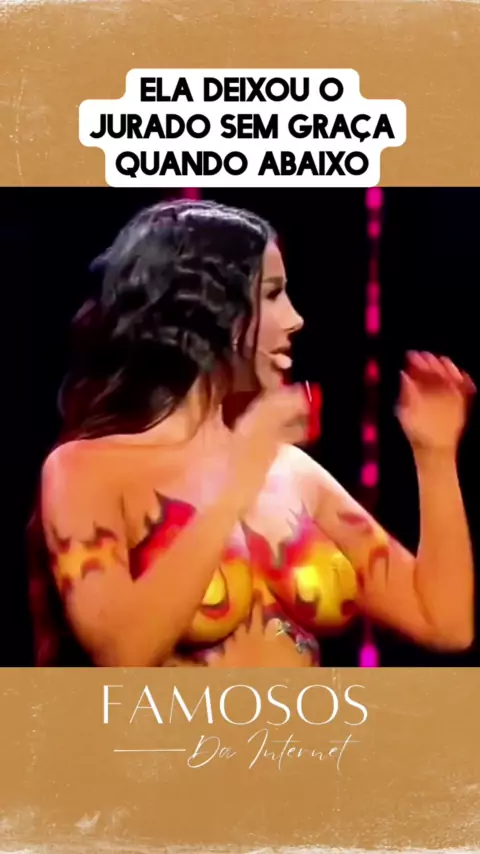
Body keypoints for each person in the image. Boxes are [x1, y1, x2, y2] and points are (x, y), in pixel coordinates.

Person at [28, 199, 476, 667]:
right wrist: (236, 481)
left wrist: (435, 453)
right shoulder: (86, 470)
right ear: (206, 309)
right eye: (272, 294)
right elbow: (123, 654)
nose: (296, 319)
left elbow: (443, 622)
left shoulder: (291, 471)